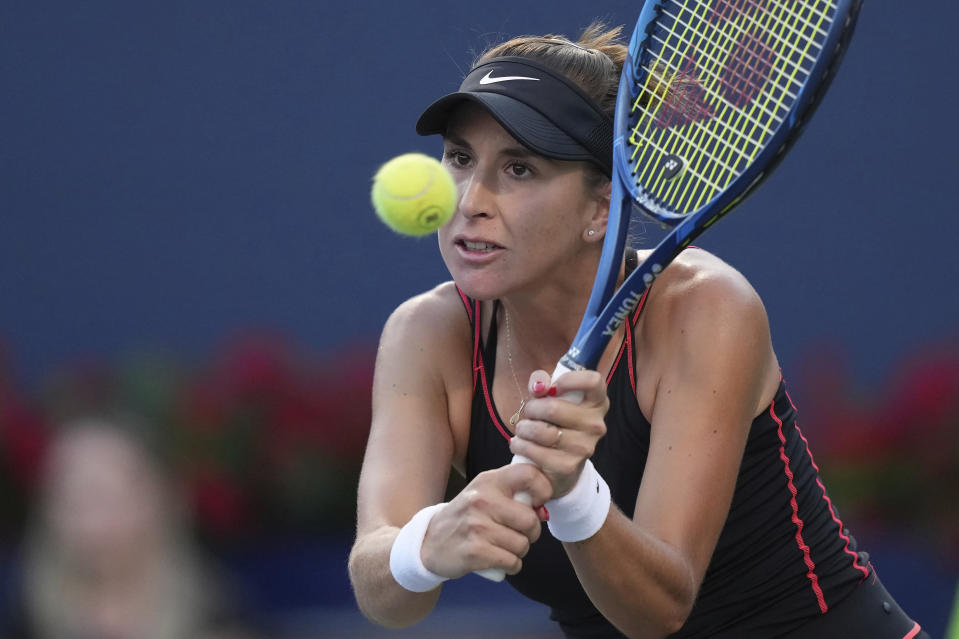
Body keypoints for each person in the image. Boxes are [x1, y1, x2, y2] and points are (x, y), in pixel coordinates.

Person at [348, 23, 928, 639]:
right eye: (461, 158)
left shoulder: (705, 309)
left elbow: (661, 609)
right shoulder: (427, 333)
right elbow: (380, 591)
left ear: (601, 209)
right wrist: (426, 545)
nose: (471, 200)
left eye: (519, 169)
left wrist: (571, 492)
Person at [4, 416, 257, 639]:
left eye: (109, 495)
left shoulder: (218, 609)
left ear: (163, 499)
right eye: (73, 498)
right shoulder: (19, 614)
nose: (91, 520)